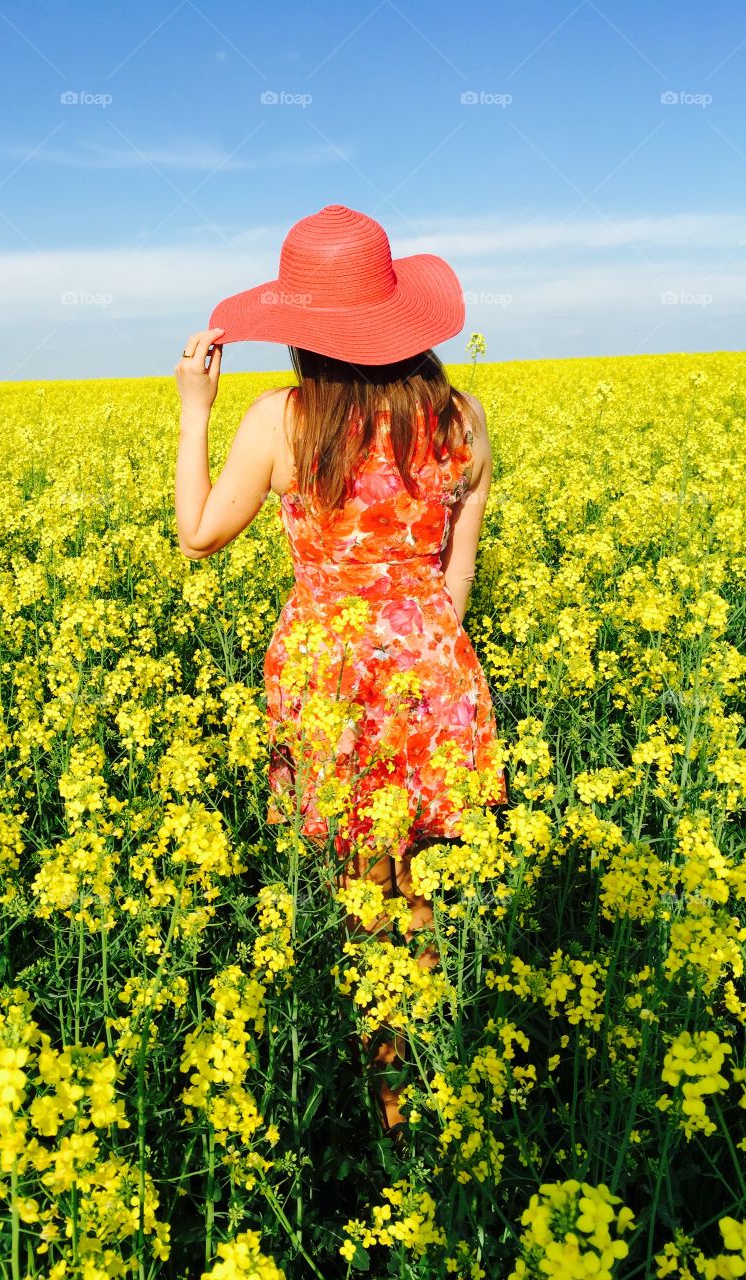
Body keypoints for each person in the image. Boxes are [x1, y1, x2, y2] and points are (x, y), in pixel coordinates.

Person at [174, 204, 508, 1155]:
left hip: (332, 678)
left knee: (363, 892)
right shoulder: (463, 418)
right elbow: (456, 579)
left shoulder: (283, 418)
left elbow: (198, 535)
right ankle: (440, 1087)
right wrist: (416, 647)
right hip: (433, 666)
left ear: (303, 330)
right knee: (427, 891)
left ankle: (392, 1116)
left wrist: (195, 409)